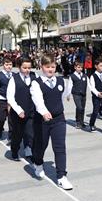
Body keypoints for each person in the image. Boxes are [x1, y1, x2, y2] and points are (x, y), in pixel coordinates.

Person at [30, 55, 73, 189]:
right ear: (41, 67)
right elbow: (37, 100)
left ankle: (61, 176)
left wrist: (59, 106)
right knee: (41, 145)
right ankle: (38, 164)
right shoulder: (36, 83)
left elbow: (63, 95)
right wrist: (44, 112)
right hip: (42, 120)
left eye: (53, 67)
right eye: (47, 67)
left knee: (60, 147)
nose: (50, 69)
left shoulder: (60, 81)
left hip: (59, 119)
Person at [7, 57, 36, 161]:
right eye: (24, 68)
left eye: (29, 68)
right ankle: (14, 151)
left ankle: (29, 149)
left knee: (31, 133)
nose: (27, 70)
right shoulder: (14, 79)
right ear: (19, 67)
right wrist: (18, 110)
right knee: (17, 134)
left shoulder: (34, 76)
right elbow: (10, 97)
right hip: (18, 113)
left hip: (31, 111)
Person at [0, 58, 14, 140]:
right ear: (3, 65)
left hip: (11, 101)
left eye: (10, 65)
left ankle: (11, 136)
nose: (9, 66)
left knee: (12, 120)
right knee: (1, 118)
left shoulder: (14, 75)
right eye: (6, 65)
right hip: (2, 100)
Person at [69, 61, 88, 129]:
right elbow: (69, 86)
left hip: (83, 94)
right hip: (76, 94)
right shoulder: (72, 76)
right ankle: (77, 122)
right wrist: (68, 94)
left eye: (81, 67)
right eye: (78, 67)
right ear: (75, 67)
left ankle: (81, 122)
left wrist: (96, 92)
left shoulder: (84, 76)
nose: (80, 69)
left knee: (82, 108)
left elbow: (90, 85)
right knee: (79, 107)